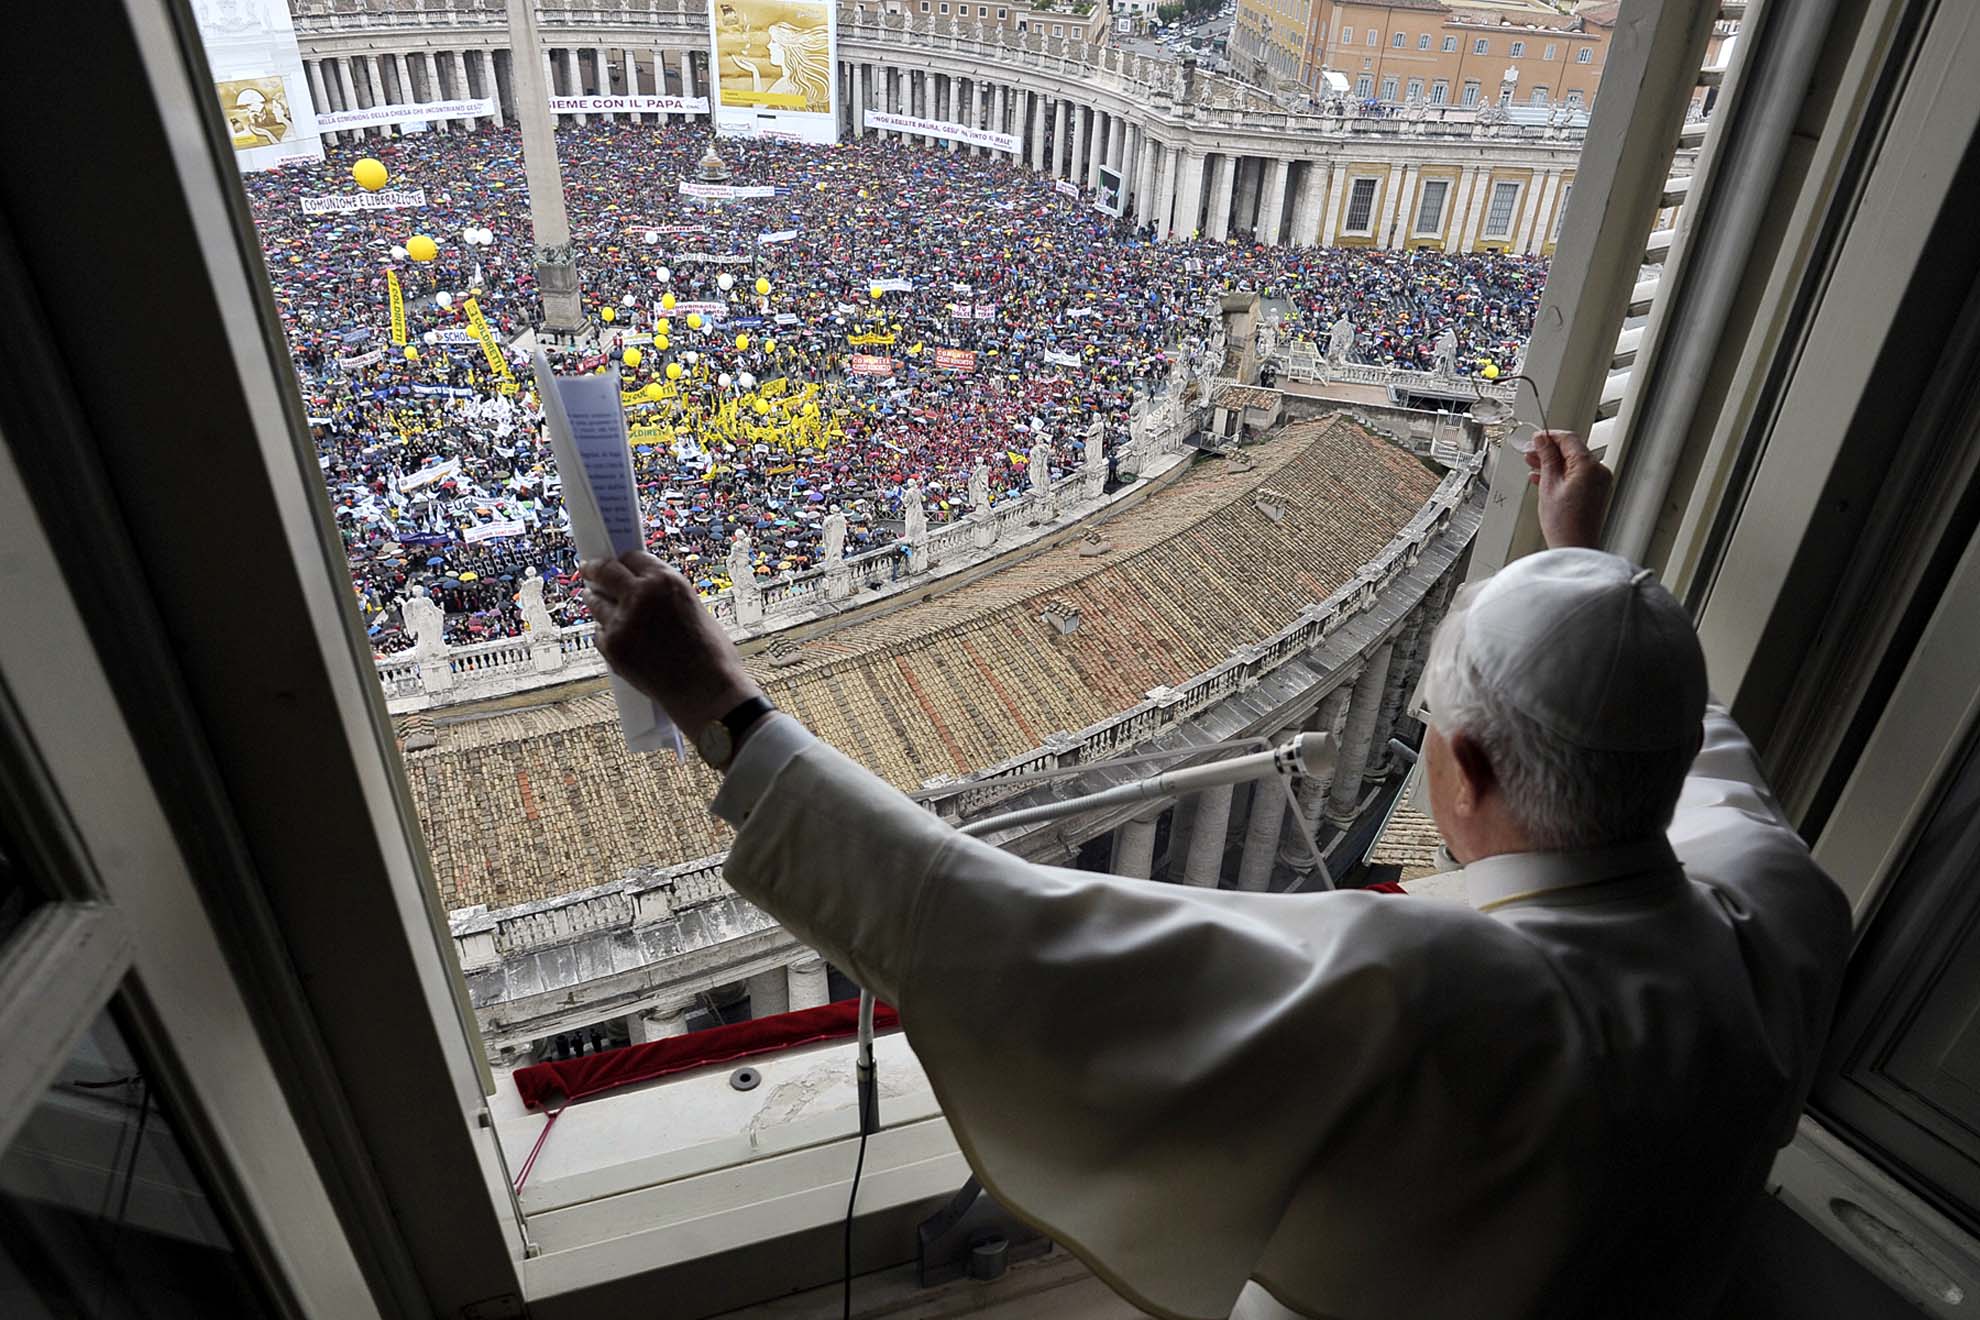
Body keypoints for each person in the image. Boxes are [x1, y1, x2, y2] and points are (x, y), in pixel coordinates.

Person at [579, 430, 1849, 1317]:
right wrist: (1579, 565)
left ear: (1454, 766)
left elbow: (1006, 934)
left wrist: (726, 708)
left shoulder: (1423, 987)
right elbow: (1686, 744)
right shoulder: (1787, 907)